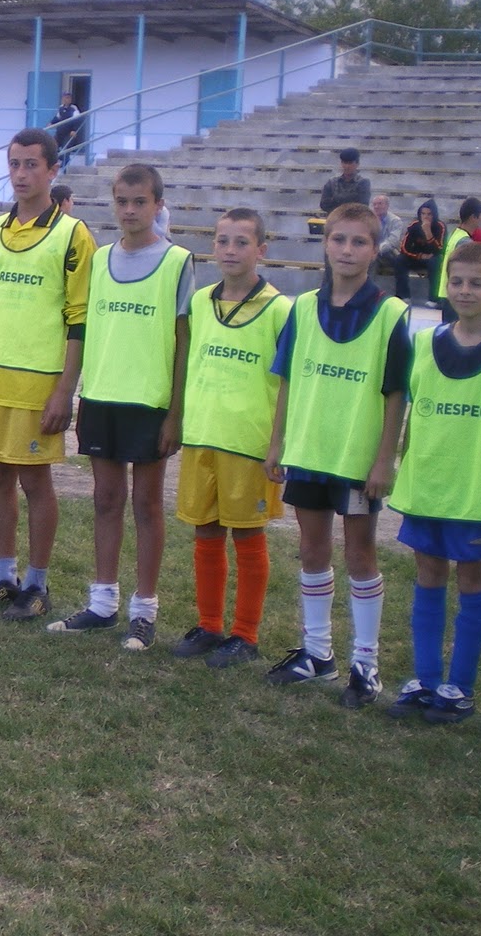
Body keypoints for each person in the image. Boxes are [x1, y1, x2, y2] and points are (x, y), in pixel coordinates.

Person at [264, 202, 410, 708]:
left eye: (359, 242)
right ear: (325, 244)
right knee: (311, 548)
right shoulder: (303, 307)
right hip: (309, 448)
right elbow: (285, 380)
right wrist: (278, 440)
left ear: (375, 250)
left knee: (360, 553)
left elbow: (396, 394)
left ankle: (365, 664)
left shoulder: (391, 314)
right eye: (339, 240)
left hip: (355, 457)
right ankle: (317, 653)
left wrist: (383, 458)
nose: (347, 250)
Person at [47, 163, 192, 650]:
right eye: (122, 201)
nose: (130, 210)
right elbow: (85, 331)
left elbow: (182, 341)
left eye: (140, 202)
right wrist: (74, 391)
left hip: (149, 402)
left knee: (147, 505)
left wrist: (175, 412)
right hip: (102, 396)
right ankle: (102, 603)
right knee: (106, 500)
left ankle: (144, 610)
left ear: (157, 204)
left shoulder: (176, 261)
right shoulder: (100, 259)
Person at [388, 242, 481, 724]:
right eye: (456, 282)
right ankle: (425, 679)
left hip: (477, 488)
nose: (465, 291)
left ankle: (460, 689)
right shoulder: (425, 340)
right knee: (427, 574)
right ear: (444, 286)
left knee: (472, 578)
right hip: (429, 480)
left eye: (476, 283)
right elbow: (412, 410)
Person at [0, 129, 94, 613]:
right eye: (14, 164)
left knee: (36, 482)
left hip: (39, 383)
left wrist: (65, 390)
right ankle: (2, 576)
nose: (21, 174)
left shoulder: (72, 235)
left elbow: (80, 319)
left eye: (32, 164)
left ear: (53, 170)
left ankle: (38, 583)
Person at [171, 208, 291, 668]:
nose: (230, 250)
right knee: (205, 530)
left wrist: (277, 443)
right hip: (203, 434)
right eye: (223, 241)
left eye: (242, 242)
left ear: (261, 249)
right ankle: (208, 624)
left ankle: (246, 633)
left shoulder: (280, 309)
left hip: (249, 442)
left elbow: (286, 385)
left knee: (247, 535)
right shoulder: (201, 301)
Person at [435, 198, 481, 324]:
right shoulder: (465, 242)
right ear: (473, 217)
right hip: (456, 295)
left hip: (448, 291)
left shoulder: (456, 234)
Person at [396, 199, 445, 307]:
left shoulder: (440, 226)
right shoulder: (414, 225)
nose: (425, 217)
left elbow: (439, 249)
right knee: (399, 259)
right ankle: (403, 296)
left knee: (436, 261)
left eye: (429, 214)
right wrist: (419, 256)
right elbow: (404, 247)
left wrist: (428, 232)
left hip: (432, 258)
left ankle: (434, 299)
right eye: (423, 214)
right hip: (417, 257)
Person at [319, 148, 371, 215]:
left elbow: (363, 206)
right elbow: (324, 204)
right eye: (344, 163)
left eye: (350, 163)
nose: (347, 166)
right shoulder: (332, 182)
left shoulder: (363, 182)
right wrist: (349, 201)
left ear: (357, 164)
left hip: (354, 220)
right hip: (335, 220)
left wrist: (336, 200)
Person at [372, 194, 407, 288]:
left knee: (400, 262)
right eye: (374, 204)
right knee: (369, 260)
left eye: (380, 204)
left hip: (391, 252)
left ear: (387, 206)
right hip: (374, 253)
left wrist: (377, 250)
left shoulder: (396, 221)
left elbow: (393, 241)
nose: (376, 206)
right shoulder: (370, 220)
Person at [51, 93, 84, 163]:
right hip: (60, 132)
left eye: (68, 98)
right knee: (52, 146)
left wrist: (74, 130)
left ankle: (65, 168)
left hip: (69, 133)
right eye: (65, 98)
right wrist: (51, 123)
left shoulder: (73, 108)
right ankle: (61, 158)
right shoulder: (61, 108)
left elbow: (77, 119)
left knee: (66, 149)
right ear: (62, 99)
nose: (67, 99)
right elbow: (57, 117)